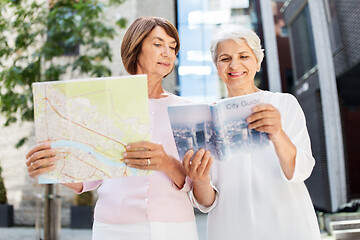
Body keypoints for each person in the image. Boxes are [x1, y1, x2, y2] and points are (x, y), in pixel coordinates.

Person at [25, 17, 199, 240]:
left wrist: (166, 163)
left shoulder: (186, 109)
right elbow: (85, 179)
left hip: (175, 226)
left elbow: (196, 185)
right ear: (136, 47)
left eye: (172, 47)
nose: (168, 52)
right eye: (158, 44)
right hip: (113, 227)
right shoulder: (104, 104)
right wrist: (48, 168)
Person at [183, 26, 321, 240]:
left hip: (288, 224)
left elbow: (301, 171)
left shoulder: (283, 104)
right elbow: (206, 203)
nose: (234, 64)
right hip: (231, 229)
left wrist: (277, 133)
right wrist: (199, 180)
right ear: (217, 66)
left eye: (244, 56)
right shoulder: (204, 120)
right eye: (225, 58)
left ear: (257, 62)